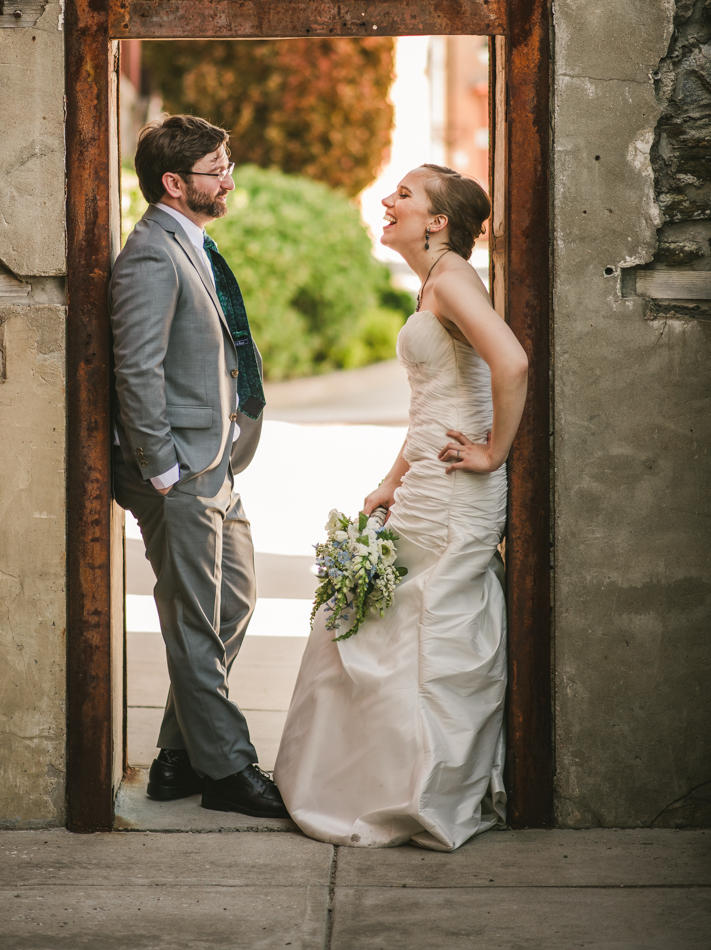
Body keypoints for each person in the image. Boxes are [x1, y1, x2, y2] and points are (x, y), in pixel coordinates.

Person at [274, 164, 528, 850]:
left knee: (424, 634)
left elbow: (512, 364)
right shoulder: (435, 284)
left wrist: (492, 453)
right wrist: (392, 478)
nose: (389, 202)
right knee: (376, 624)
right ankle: (377, 785)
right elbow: (432, 405)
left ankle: (419, 793)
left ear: (438, 222)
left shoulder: (449, 280)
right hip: (424, 486)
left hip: (455, 496)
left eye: (405, 195)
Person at [109, 113, 288, 819]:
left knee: (235, 601)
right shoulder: (153, 253)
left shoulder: (192, 243)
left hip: (214, 468)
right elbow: (137, 370)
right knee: (194, 619)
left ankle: (177, 757)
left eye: (228, 165)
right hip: (178, 473)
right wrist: (161, 468)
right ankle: (227, 771)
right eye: (217, 170)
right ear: (175, 184)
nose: (230, 179)